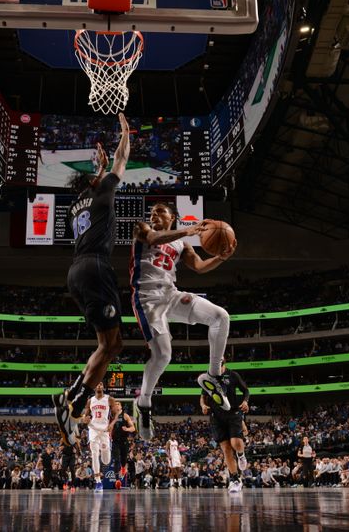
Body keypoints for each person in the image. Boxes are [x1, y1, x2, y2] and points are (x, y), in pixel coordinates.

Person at [53, 112, 130, 446]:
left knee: (112, 344)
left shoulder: (77, 206)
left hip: (77, 271)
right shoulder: (102, 192)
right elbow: (121, 161)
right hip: (97, 268)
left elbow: (93, 184)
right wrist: (126, 134)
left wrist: (95, 173)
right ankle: (72, 395)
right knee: (108, 345)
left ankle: (76, 399)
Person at [131, 202, 236, 440]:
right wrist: (188, 230)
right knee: (163, 355)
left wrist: (221, 257)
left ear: (172, 217)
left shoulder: (181, 244)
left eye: (160, 211)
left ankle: (212, 376)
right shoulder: (142, 229)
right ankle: (144, 402)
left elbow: (199, 266)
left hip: (171, 295)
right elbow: (154, 238)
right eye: (152, 212)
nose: (153, 215)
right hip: (147, 299)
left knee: (220, 317)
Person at [200, 360, 250, 493]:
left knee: (236, 443)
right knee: (226, 449)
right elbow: (202, 396)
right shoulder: (209, 377)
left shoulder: (233, 375)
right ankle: (234, 480)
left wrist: (245, 401)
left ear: (223, 363)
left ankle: (241, 454)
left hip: (233, 413)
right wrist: (203, 406)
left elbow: (246, 390)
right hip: (216, 417)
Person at [82, 382, 119, 491]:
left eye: (101, 384)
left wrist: (112, 424)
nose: (98, 385)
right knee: (94, 454)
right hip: (93, 428)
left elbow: (116, 413)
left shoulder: (109, 399)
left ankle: (105, 456)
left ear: (103, 387)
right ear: (94, 387)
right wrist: (85, 418)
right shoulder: (90, 401)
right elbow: (86, 414)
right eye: (97, 384)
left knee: (106, 460)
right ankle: (98, 482)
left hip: (104, 430)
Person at [109, 400, 135, 481]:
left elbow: (133, 428)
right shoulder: (111, 416)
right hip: (115, 441)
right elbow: (110, 427)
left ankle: (123, 467)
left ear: (121, 407)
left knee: (123, 459)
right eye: (115, 404)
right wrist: (109, 434)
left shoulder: (125, 415)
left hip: (124, 441)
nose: (116, 405)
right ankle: (117, 480)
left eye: (118, 404)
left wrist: (127, 429)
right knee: (116, 459)